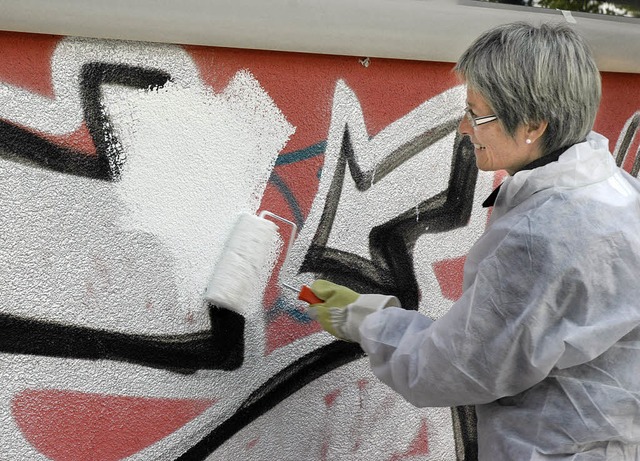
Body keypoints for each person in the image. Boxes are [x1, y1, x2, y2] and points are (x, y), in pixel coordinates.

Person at [307, 22, 640, 460]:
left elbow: (457, 367)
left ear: (534, 125)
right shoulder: (614, 191)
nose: (464, 128)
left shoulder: (542, 238)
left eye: (476, 114)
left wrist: (366, 321)